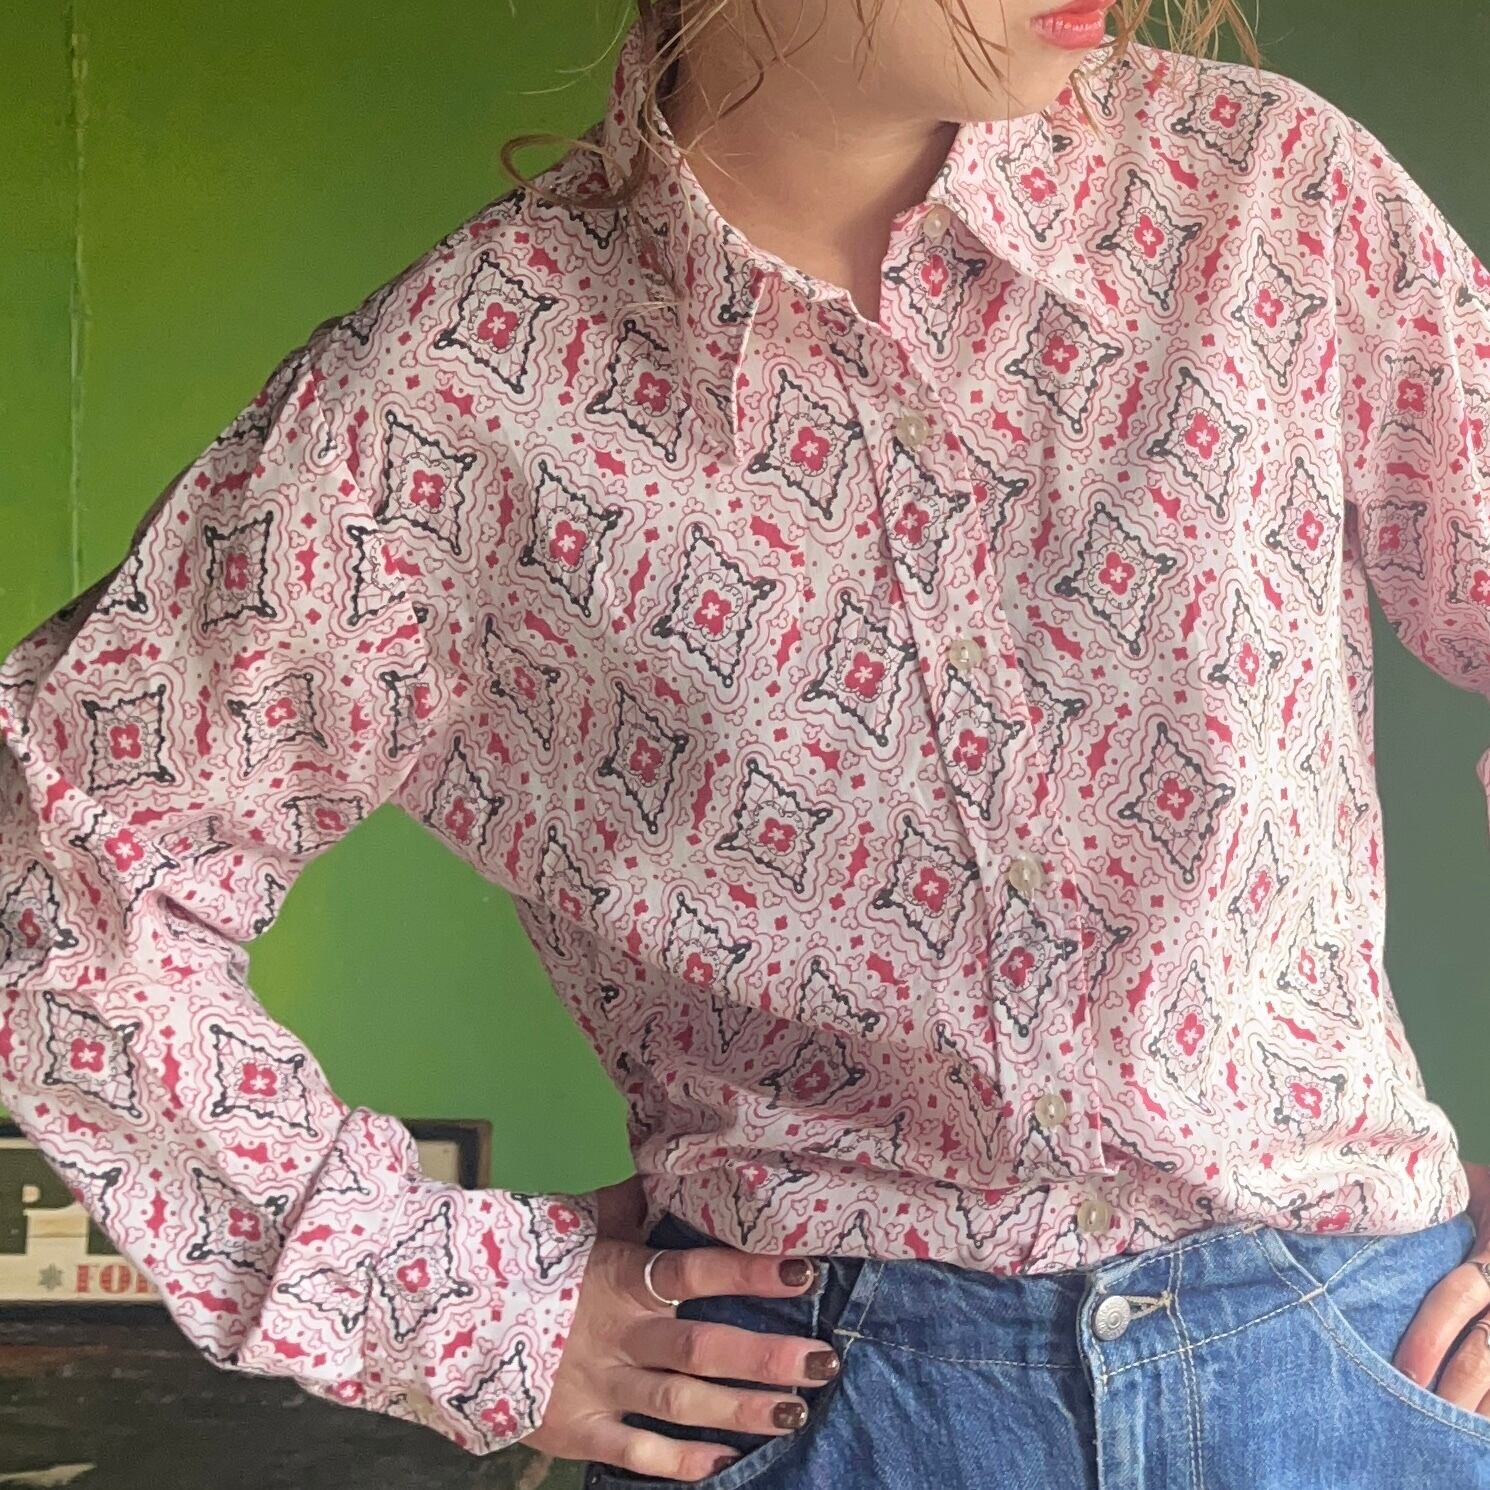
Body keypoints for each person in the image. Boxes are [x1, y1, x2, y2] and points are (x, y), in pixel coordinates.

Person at [4, 0, 1490, 1483]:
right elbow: (56, 868)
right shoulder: (456, 395)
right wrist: (449, 1304)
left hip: (1366, 1379)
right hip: (820, 1407)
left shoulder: (1266, 200)